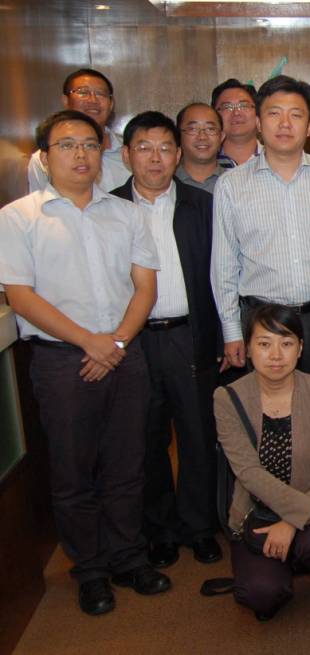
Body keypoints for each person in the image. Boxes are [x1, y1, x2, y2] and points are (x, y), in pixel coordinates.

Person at [0, 109, 165, 615]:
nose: (80, 154)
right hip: (60, 362)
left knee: (127, 464)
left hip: (123, 354)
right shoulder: (19, 217)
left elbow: (145, 288)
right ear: (44, 157)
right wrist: (89, 343)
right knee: (73, 472)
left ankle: (127, 556)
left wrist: (114, 345)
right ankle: (90, 570)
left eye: (90, 145)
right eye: (67, 145)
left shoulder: (127, 213)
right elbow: (22, 297)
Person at [111, 111, 223, 569]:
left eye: (164, 148)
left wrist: (222, 335)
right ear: (125, 155)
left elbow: (221, 275)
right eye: (143, 148)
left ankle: (198, 526)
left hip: (189, 334)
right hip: (134, 340)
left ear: (177, 155)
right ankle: (157, 529)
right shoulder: (108, 208)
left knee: (199, 434)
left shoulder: (202, 205)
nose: (155, 158)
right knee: (146, 436)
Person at [212, 75, 310, 406]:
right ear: (257, 122)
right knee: (269, 421)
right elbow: (224, 266)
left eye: (295, 115)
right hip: (263, 323)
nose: (284, 124)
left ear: (309, 127)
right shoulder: (232, 185)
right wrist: (232, 331)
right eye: (274, 113)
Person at [213, 304, 310, 632]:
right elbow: (249, 474)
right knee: (261, 596)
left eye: (287, 343)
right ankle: (281, 570)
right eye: (264, 344)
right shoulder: (228, 399)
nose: (276, 355)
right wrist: (300, 517)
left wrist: (294, 523)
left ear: (301, 349)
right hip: (259, 513)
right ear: (248, 349)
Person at [27, 68, 130, 192]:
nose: (92, 100)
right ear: (66, 101)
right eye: (83, 92)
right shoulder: (44, 159)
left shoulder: (133, 151)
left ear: (111, 104)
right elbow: (40, 207)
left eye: (100, 93)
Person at [175, 102, 227, 193]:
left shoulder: (236, 182)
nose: (202, 136)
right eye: (193, 129)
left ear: (221, 137)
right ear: (179, 136)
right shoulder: (166, 182)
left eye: (210, 129)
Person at [211, 78, 261, 168]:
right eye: (227, 107)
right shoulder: (206, 163)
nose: (236, 113)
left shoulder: (275, 158)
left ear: (257, 114)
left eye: (244, 105)